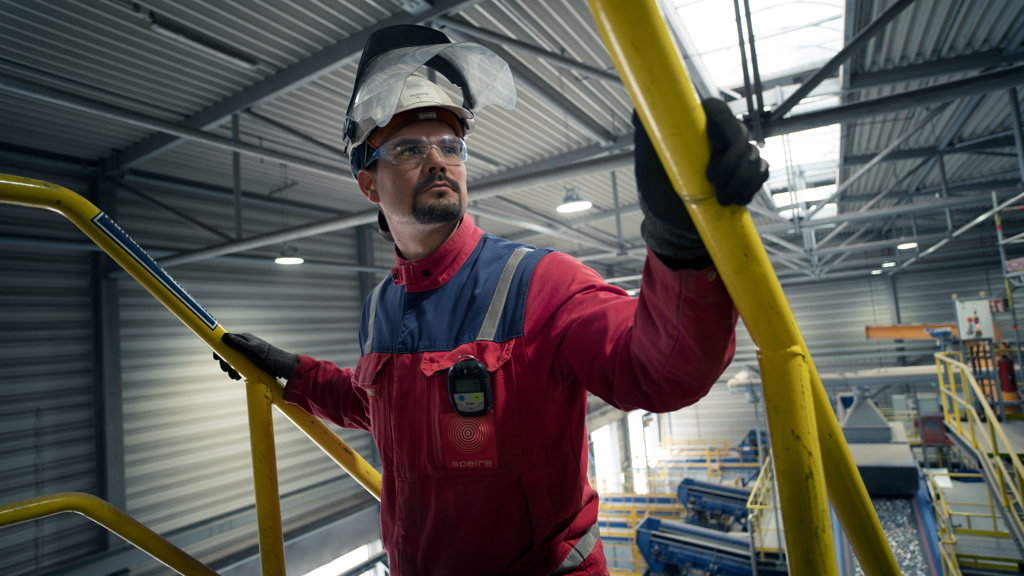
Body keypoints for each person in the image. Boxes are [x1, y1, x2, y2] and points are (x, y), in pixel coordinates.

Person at [215, 24, 768, 575]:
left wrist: (682, 244)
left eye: (449, 146)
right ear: (368, 184)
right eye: (410, 148)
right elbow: (385, 410)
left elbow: (659, 370)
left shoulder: (540, 283)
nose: (438, 161)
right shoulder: (381, 306)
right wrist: (294, 376)